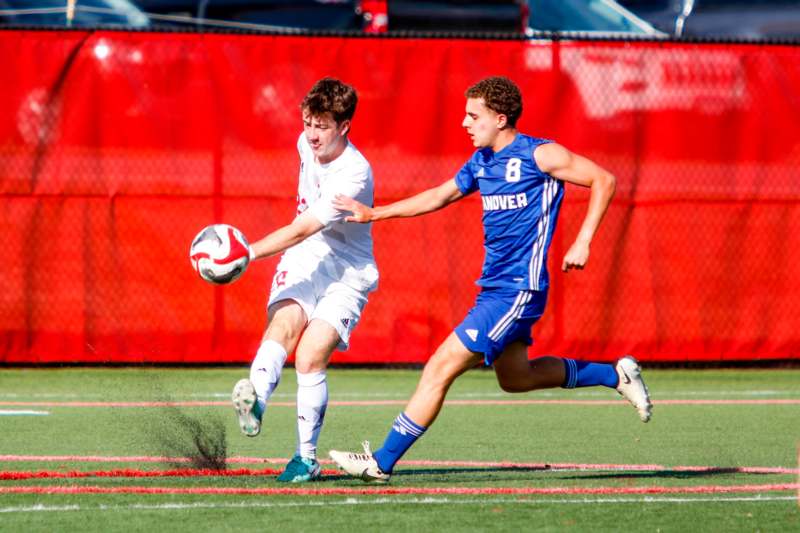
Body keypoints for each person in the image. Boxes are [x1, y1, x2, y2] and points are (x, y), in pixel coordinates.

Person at [328, 76, 651, 483]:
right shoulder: (480, 162)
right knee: (516, 379)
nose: (465, 123)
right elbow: (439, 196)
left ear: (500, 119)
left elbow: (604, 179)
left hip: (519, 289)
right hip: (495, 288)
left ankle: (381, 461)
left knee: (440, 366)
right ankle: (615, 375)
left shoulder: (540, 154)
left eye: (473, 115)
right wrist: (376, 213)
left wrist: (583, 241)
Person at [229, 77, 379, 483]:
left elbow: (302, 227)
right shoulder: (304, 142)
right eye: (308, 122)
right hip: (304, 259)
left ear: (344, 126)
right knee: (283, 325)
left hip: (346, 272)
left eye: (322, 126)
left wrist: (247, 252)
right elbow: (301, 240)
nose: (312, 134)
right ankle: (256, 401)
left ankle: (305, 459)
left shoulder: (355, 173)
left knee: (310, 354)